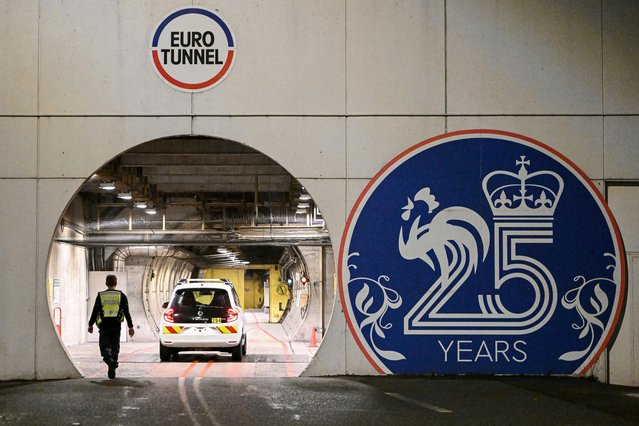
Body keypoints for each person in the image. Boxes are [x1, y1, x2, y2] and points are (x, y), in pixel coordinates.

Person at [88, 274, 134, 379]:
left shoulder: (101, 296)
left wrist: (90, 324)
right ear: (116, 283)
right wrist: (130, 326)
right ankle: (112, 367)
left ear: (106, 283)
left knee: (104, 347)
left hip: (104, 325)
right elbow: (127, 312)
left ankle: (110, 361)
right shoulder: (121, 296)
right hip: (116, 325)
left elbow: (95, 311)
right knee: (115, 347)